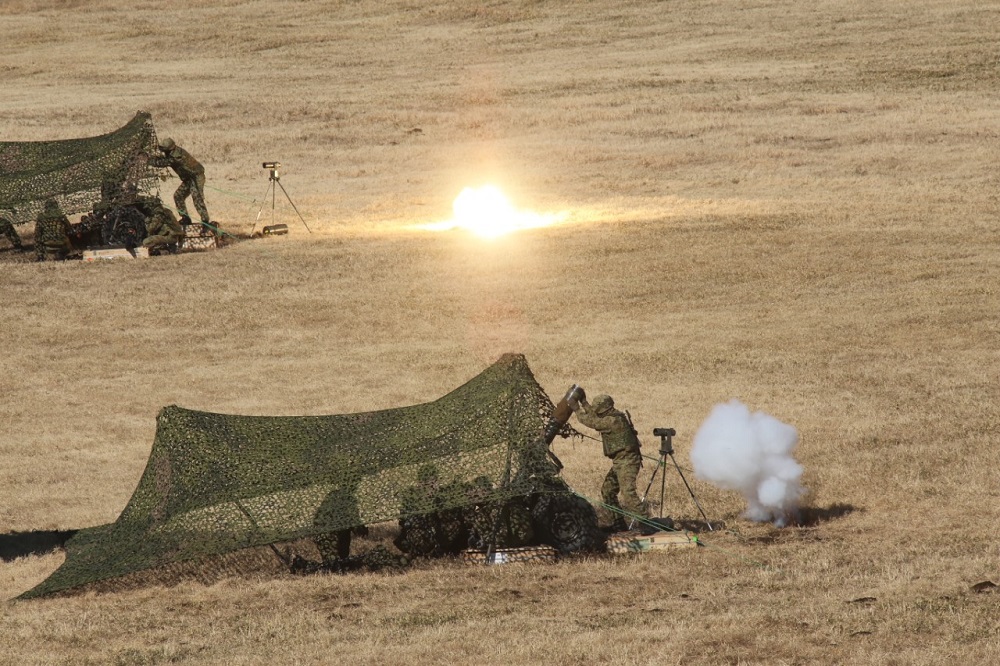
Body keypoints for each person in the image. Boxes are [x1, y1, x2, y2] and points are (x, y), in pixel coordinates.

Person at [571, 393, 649, 531]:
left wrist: (576, 408)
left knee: (628, 493)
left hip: (628, 461)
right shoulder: (613, 416)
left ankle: (647, 523)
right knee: (607, 491)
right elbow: (595, 416)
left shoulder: (612, 421)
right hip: (620, 461)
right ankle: (618, 523)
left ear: (604, 409)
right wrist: (584, 401)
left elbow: (591, 421)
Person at [148, 137, 213, 233]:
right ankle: (185, 218)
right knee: (178, 196)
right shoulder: (173, 152)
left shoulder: (175, 157)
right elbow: (164, 158)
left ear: (168, 149)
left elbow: (161, 163)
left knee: (197, 199)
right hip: (188, 178)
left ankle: (206, 223)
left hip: (196, 177)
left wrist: (148, 160)